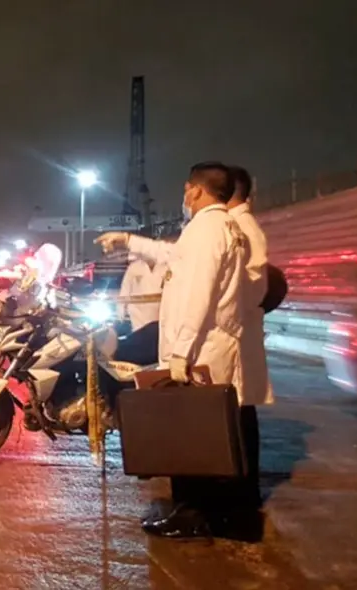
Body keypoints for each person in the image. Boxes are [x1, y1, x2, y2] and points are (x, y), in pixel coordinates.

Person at [96, 161, 249, 538]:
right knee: (195, 434)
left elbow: (198, 293)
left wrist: (180, 354)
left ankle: (196, 515)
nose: (184, 197)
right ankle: (193, 508)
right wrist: (131, 241)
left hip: (198, 352)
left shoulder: (207, 231)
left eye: (185, 190)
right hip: (203, 346)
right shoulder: (215, 228)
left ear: (195, 190)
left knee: (194, 436)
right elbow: (172, 257)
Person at [226, 165, 273, 510]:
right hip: (237, 339)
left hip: (233, 340)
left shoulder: (237, 230)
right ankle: (242, 495)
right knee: (239, 419)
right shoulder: (240, 227)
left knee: (238, 423)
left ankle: (241, 500)